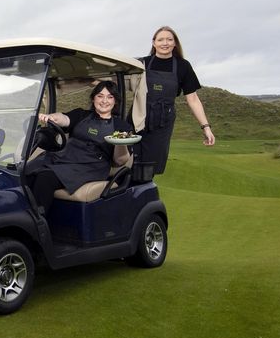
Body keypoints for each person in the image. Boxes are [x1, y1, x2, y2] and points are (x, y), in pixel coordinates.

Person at [26, 81, 133, 213]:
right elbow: (64, 118)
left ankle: (37, 223)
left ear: (115, 101)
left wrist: (120, 143)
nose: (104, 100)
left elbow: (120, 161)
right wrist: (52, 117)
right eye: (100, 96)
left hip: (90, 166)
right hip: (65, 158)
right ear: (93, 98)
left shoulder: (121, 127)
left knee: (45, 178)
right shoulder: (82, 115)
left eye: (110, 97)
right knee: (25, 173)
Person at [137, 26, 215, 174]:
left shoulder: (183, 66)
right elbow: (118, 80)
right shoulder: (142, 63)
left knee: (150, 167)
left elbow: (192, 99)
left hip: (162, 122)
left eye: (169, 39)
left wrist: (206, 127)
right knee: (129, 161)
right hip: (138, 119)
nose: (164, 43)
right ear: (154, 43)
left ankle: (144, 194)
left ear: (175, 43)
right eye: (160, 39)